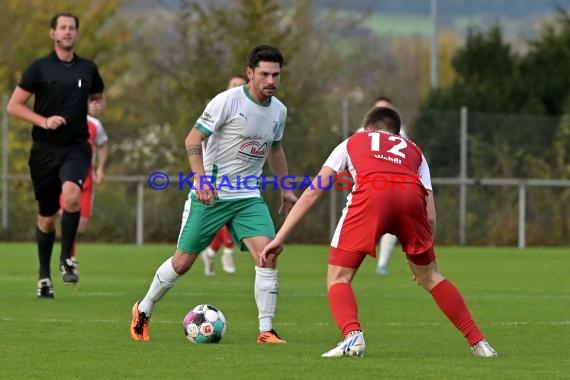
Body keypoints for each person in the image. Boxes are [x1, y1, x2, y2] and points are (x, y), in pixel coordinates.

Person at [260, 107, 497, 358]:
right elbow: (429, 214)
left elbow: (312, 193)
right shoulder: (414, 149)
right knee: (433, 277)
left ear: (368, 129)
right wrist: (425, 260)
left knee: (338, 277)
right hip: (410, 198)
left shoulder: (353, 141)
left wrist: (279, 237)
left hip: (373, 195)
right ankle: (479, 343)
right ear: (396, 132)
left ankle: (353, 336)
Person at [130, 45, 297, 344]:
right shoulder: (227, 102)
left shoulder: (279, 111)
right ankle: (143, 309)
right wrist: (201, 179)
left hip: (248, 197)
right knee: (182, 263)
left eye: (276, 74)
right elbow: (193, 139)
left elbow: (276, 148)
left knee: (268, 255)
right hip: (212, 194)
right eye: (264, 74)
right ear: (250, 73)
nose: (271, 80)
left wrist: (286, 186)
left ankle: (266, 330)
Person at [6, 13, 105, 298]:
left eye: (72, 28)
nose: (67, 32)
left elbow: (98, 97)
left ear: (76, 33)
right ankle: (44, 276)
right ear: (52, 34)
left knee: (72, 196)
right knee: (47, 217)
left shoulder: (88, 68)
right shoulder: (39, 68)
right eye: (62, 28)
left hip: (76, 146)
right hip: (44, 150)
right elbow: (14, 106)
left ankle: (67, 259)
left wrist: (97, 107)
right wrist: (43, 121)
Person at [201, 74, 248, 276]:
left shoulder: (251, 113)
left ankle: (212, 253)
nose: (237, 88)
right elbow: (199, 138)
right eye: (233, 85)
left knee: (229, 217)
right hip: (216, 174)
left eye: (240, 85)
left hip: (242, 176)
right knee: (224, 216)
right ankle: (227, 251)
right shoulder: (219, 107)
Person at [59, 98, 109, 273]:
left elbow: (103, 145)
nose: (95, 105)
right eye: (91, 102)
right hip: (66, 178)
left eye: (98, 101)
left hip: (87, 177)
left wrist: (101, 169)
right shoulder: (64, 119)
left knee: (82, 225)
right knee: (66, 213)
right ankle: (68, 258)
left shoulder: (95, 125)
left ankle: (67, 253)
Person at [369, 96, 406, 275]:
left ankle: (382, 264)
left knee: (391, 228)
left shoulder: (401, 134)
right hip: (367, 190)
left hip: (393, 189)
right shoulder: (362, 133)